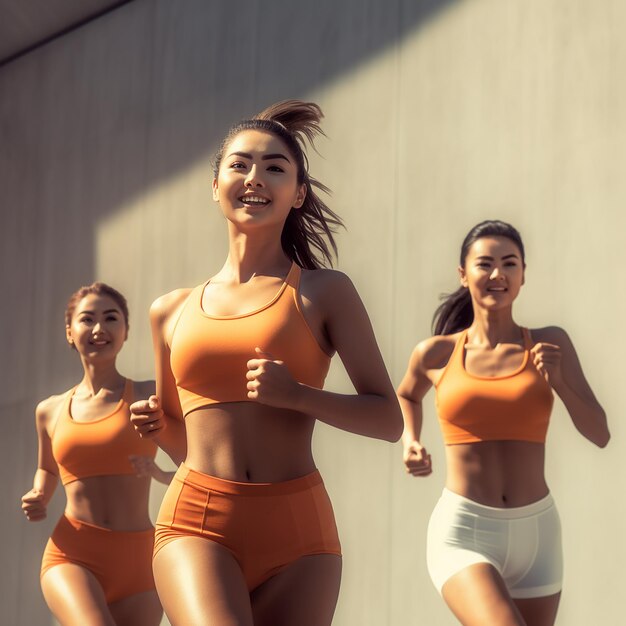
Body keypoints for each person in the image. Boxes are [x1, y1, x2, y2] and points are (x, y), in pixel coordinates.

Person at [130, 99, 403, 625]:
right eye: (240, 164)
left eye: (275, 167)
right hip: (197, 521)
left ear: (297, 194)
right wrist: (157, 425)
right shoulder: (169, 311)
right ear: (215, 186)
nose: (255, 177)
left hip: (300, 533)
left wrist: (298, 396)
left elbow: (389, 420)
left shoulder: (325, 292)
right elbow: (182, 441)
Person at [397, 220, 609, 626]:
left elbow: (600, 434)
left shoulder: (551, 344)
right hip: (463, 532)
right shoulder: (436, 354)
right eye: (485, 264)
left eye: (509, 264)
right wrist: (411, 440)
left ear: (523, 274)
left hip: (539, 537)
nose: (497, 274)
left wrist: (560, 382)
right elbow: (407, 394)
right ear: (463, 274)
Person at [21, 282, 171, 626]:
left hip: (139, 562)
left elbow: (197, 459)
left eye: (111, 318)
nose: (99, 329)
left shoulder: (150, 396)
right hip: (73, 554)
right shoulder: (50, 410)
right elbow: (47, 469)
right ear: (70, 332)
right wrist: (39, 494)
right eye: (87, 319)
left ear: (126, 330)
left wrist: (160, 474)